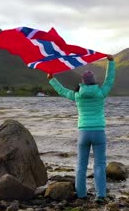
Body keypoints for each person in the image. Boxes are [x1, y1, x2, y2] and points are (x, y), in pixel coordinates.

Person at [47, 55, 115, 202]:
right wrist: (111, 62)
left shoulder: (77, 95)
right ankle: (101, 196)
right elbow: (110, 80)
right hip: (98, 132)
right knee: (100, 164)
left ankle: (81, 194)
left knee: (81, 164)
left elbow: (62, 90)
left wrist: (51, 79)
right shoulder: (101, 93)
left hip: (83, 132)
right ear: (94, 81)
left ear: (83, 82)